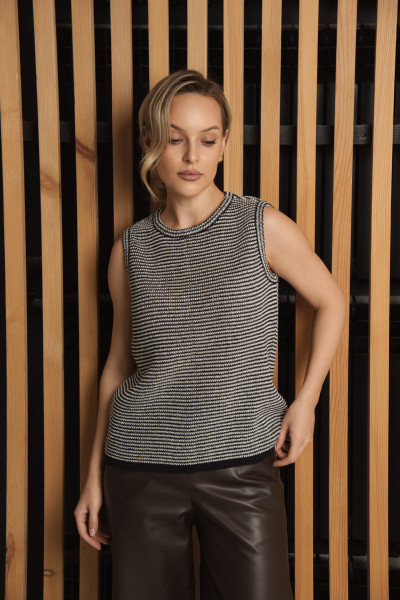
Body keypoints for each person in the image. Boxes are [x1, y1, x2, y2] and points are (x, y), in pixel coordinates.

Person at [74, 69, 346, 600]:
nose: (191, 156)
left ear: (223, 144)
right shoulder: (130, 250)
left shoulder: (260, 226)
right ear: (150, 141)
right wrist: (93, 476)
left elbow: (331, 301)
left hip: (242, 467)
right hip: (140, 467)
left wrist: (306, 402)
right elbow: (118, 364)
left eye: (207, 139)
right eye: (175, 138)